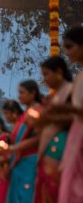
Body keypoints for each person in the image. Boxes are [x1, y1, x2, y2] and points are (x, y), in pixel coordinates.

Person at [38, 26, 83, 203]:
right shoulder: (80, 77)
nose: (67, 52)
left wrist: (63, 110)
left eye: (70, 46)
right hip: (75, 139)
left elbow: (74, 114)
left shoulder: (71, 87)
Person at [33, 56, 72, 203]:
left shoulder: (71, 91)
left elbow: (74, 118)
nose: (45, 79)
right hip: (49, 145)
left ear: (59, 72)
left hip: (66, 144)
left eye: (46, 74)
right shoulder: (54, 97)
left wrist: (50, 118)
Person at [5, 80, 41, 203]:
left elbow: (39, 137)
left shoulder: (39, 111)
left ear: (33, 93)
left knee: (27, 197)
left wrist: (15, 148)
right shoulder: (24, 116)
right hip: (19, 163)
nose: (19, 96)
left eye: (22, 93)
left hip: (30, 161)